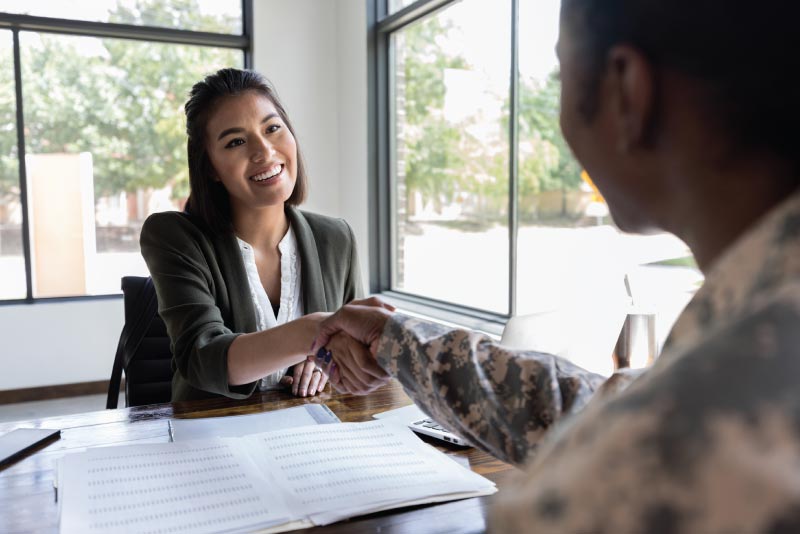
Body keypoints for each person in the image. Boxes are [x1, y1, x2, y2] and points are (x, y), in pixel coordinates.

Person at [311, 0, 800, 531]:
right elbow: (596, 409)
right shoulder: (755, 336)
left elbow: (634, 430)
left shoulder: (636, 474)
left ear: (626, 92)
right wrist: (396, 338)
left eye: (561, 68)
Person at [141, 68, 367, 402]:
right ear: (211, 168)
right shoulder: (174, 236)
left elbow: (357, 348)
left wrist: (326, 362)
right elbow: (201, 357)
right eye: (236, 142)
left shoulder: (336, 238)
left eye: (273, 128)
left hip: (316, 434)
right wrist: (313, 336)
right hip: (214, 438)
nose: (264, 151)